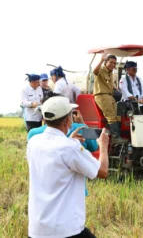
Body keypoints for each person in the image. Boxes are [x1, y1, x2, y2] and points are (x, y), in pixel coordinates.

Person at [26, 96, 109, 238]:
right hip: (65, 229)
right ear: (67, 120)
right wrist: (103, 146)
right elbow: (102, 171)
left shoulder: (33, 142)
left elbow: (57, 158)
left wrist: (69, 141)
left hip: (38, 228)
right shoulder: (70, 148)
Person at [93, 54, 126, 143]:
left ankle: (118, 136)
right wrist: (100, 60)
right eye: (111, 62)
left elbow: (110, 84)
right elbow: (95, 71)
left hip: (109, 95)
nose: (113, 65)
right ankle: (116, 137)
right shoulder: (101, 69)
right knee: (111, 116)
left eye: (114, 63)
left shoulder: (111, 72)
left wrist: (117, 89)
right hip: (102, 95)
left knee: (118, 115)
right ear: (105, 62)